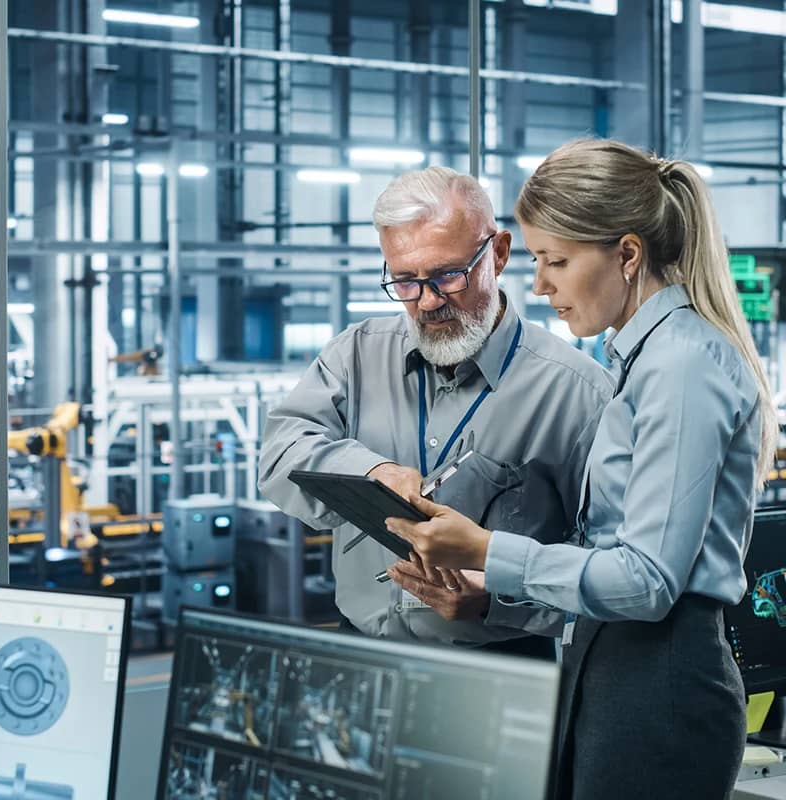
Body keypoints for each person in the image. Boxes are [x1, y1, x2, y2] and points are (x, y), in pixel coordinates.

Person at [383, 140, 777, 800]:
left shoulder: (682, 365)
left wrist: (486, 548)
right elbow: (610, 560)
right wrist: (490, 591)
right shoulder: (645, 361)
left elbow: (648, 582)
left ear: (626, 254)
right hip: (615, 672)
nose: (539, 285)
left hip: (661, 690)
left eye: (556, 260)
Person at [258, 165, 613, 652]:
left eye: (448, 276)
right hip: (362, 650)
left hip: (501, 663)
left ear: (500, 254)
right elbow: (281, 452)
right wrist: (371, 472)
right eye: (404, 281)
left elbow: (609, 569)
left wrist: (498, 600)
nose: (426, 301)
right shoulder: (355, 355)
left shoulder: (579, 394)